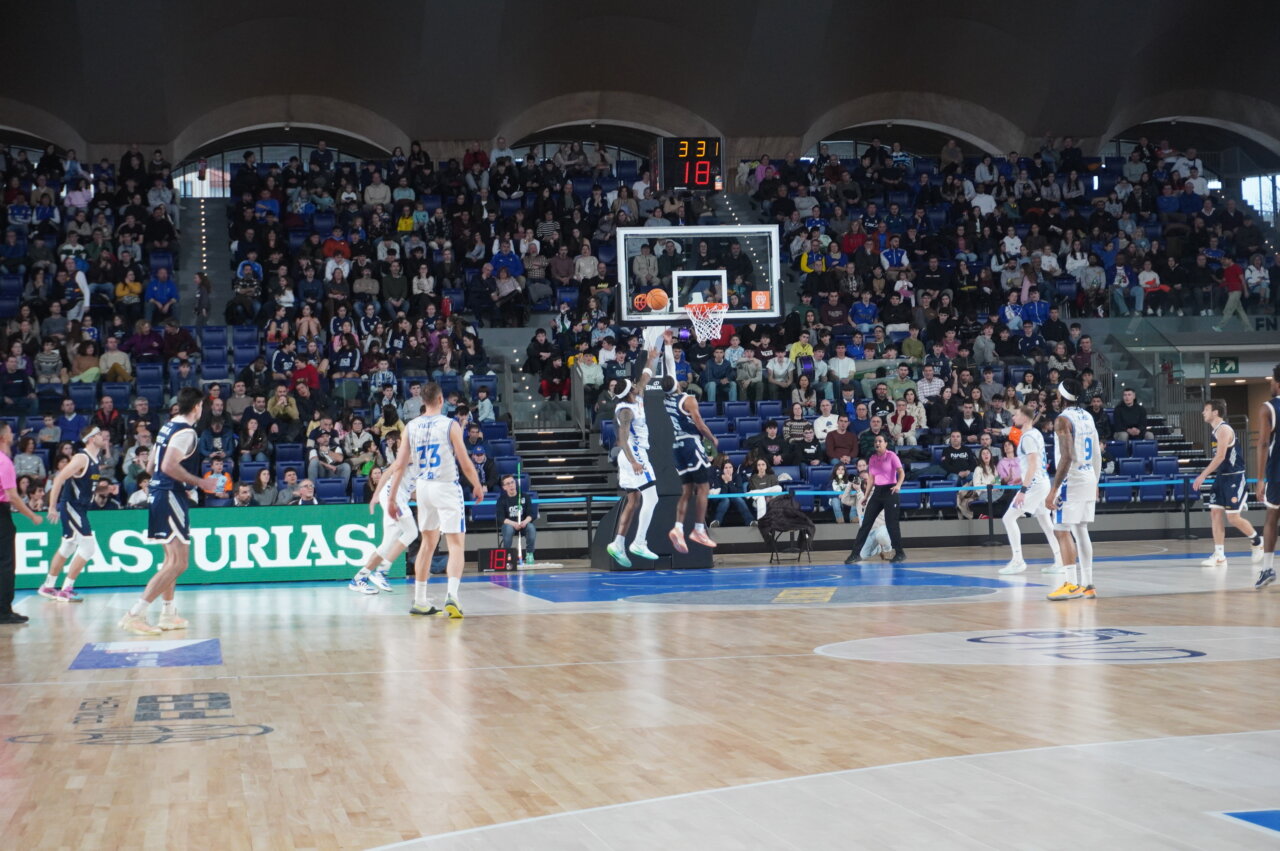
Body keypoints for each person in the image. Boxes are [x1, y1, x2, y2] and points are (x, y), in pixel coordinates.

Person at [121, 388, 219, 635]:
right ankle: (135, 614)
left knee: (170, 560)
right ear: (196, 406)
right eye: (202, 405)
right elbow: (167, 465)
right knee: (179, 562)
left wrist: (168, 483)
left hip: (161, 492)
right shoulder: (186, 432)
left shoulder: (168, 426)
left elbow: (151, 466)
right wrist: (200, 482)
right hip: (168, 494)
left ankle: (168, 613)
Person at [386, 382, 486, 618]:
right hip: (446, 485)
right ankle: (452, 596)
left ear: (423, 401)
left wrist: (392, 498)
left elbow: (399, 465)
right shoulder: (450, 424)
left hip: (422, 488)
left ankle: (420, 600)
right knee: (456, 544)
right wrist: (477, 484)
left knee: (427, 544)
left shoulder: (410, 426)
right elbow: (464, 461)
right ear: (441, 400)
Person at [347, 407, 426, 595]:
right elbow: (388, 472)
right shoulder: (411, 454)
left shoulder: (424, 458)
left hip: (398, 496)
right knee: (411, 532)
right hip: (393, 496)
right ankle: (381, 571)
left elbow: (412, 490)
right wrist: (377, 496)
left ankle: (359, 578)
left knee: (387, 544)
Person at [39, 426, 112, 602]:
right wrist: (52, 507)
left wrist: (104, 489)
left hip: (80, 508)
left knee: (67, 547)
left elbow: (87, 487)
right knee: (88, 547)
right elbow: (59, 479)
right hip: (72, 507)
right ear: (91, 439)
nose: (103, 437)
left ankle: (48, 586)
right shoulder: (81, 458)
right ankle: (66, 589)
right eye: (99, 434)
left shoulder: (95, 459)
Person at [605, 342, 662, 567]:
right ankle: (639, 542)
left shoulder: (635, 397)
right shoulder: (626, 410)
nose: (637, 387)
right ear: (629, 392)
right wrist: (635, 462)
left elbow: (646, 376)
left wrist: (651, 358)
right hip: (634, 455)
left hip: (631, 457)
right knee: (652, 497)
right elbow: (622, 439)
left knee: (634, 500)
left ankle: (618, 543)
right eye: (633, 387)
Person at [661, 330, 718, 554]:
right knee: (704, 487)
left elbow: (668, 367)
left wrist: (667, 345)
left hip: (676, 447)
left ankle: (678, 528)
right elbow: (700, 425)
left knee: (687, 491)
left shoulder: (666, 399)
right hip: (690, 442)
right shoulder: (688, 399)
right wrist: (712, 438)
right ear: (677, 383)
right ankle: (698, 529)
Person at [1044, 378, 1101, 601]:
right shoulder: (1087, 416)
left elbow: (1066, 457)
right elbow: (1096, 453)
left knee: (1061, 529)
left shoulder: (1062, 420)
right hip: (1088, 476)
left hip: (1072, 479)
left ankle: (1070, 584)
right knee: (1081, 529)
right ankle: (1088, 584)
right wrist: (1096, 482)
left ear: (1062, 396)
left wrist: (1053, 489)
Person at [1193, 398, 1264, 567]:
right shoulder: (1215, 431)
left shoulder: (1224, 429)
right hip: (1222, 477)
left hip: (1234, 477)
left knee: (1233, 518)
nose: (1203, 412)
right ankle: (1219, 555)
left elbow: (1220, 457)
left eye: (1206, 409)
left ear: (1215, 412)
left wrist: (1202, 475)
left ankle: (1257, 541)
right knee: (1215, 513)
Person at [998, 406, 1065, 575]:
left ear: (1025, 418)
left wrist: (1023, 490)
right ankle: (1060, 561)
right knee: (1046, 523)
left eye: (1016, 415)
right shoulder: (1036, 433)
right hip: (1042, 482)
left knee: (1008, 518)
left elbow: (1033, 465)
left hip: (1034, 485)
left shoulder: (1027, 437)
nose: (1013, 418)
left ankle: (1018, 561)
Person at [0, 421, 45, 624]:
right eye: (10, 431)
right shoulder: (4, 462)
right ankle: (3, 611)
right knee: (5, 563)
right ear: (3, 437)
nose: (13, 434)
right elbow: (12, 496)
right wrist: (32, 515)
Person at [844, 433, 906, 563]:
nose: (877, 443)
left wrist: (898, 485)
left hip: (890, 490)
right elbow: (871, 479)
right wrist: (866, 497)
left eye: (880, 441)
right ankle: (855, 554)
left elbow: (901, 472)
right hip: (877, 492)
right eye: (875, 441)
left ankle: (900, 553)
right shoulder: (872, 458)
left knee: (892, 524)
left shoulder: (891, 456)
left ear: (885, 443)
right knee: (865, 524)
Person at [1255, 365, 1280, 589]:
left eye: (1272, 380)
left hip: (1277, 473)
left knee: (1272, 517)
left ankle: (1267, 568)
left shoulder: (1268, 408)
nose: (1270, 383)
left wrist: (1260, 479)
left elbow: (1263, 444)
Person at [495, 474, 538, 561]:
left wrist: (524, 522)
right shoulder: (501, 500)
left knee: (531, 527)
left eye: (512, 482)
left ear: (515, 483)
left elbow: (532, 514)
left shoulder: (525, 497)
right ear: (504, 487)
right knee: (508, 529)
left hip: (523, 524)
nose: (511, 485)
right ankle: (507, 555)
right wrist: (514, 524)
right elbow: (500, 518)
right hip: (510, 525)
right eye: (508, 484)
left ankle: (529, 554)